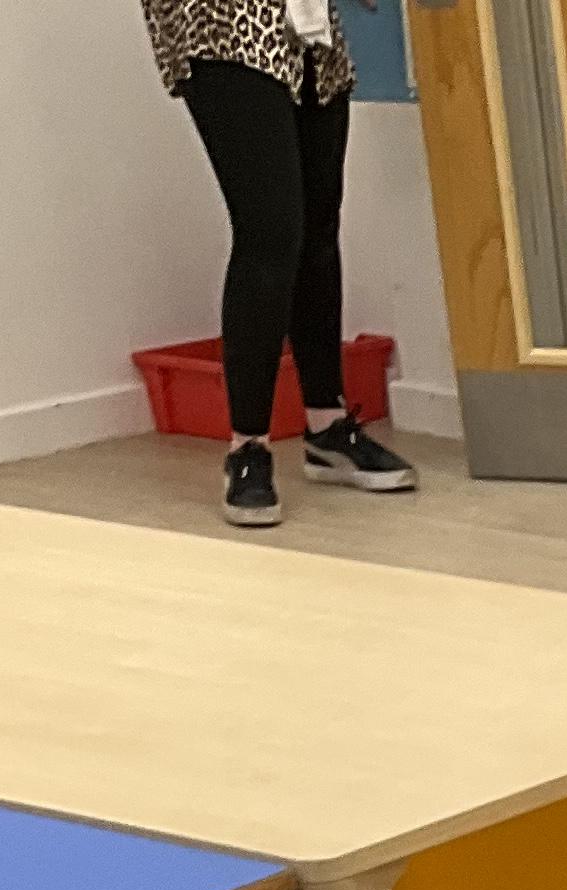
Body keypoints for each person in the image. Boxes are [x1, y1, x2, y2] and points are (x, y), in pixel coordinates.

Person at [141, 0, 419, 529]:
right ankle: (247, 447)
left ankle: (327, 427)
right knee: (269, 233)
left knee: (317, 231)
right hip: (223, 27)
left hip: (309, 26)